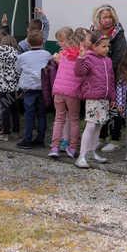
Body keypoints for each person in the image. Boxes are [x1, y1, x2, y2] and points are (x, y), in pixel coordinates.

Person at [75, 30, 116, 168]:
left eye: (108, 46)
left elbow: (111, 80)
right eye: (103, 46)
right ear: (94, 46)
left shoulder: (108, 61)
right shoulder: (88, 58)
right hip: (93, 98)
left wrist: (112, 97)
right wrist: (80, 58)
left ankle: (92, 152)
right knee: (91, 125)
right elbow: (79, 72)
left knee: (98, 125)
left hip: (104, 99)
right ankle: (82, 156)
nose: (107, 49)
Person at [91, 5, 126, 153]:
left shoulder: (118, 34)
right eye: (104, 17)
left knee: (115, 109)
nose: (107, 20)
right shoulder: (93, 32)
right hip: (99, 76)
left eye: (109, 17)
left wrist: (108, 72)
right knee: (101, 107)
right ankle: (101, 137)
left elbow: (119, 57)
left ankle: (115, 139)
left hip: (115, 75)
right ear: (98, 18)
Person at [49, 27, 82, 158]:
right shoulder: (80, 55)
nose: (59, 43)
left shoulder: (62, 55)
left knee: (58, 119)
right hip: (72, 92)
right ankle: (72, 148)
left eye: (61, 41)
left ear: (68, 40)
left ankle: (54, 147)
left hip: (58, 90)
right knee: (74, 119)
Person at [17, 29, 52, 148]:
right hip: (43, 89)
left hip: (28, 89)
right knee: (42, 114)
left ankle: (27, 139)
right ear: (42, 41)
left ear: (28, 43)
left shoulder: (22, 56)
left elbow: (18, 70)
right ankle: (40, 139)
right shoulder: (47, 54)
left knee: (29, 115)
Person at [0, 34, 21, 142]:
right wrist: (19, 86)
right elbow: (18, 71)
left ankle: (5, 133)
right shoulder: (16, 54)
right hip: (13, 87)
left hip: (2, 87)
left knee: (5, 110)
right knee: (15, 110)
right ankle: (16, 131)